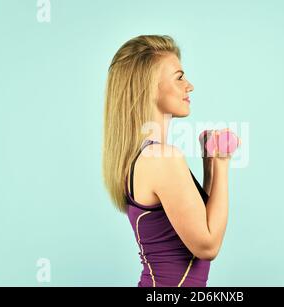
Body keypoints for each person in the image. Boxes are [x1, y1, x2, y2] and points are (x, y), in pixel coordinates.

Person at [102, 35, 239, 287]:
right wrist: (222, 163)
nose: (190, 86)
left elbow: (196, 225)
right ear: (147, 86)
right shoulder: (162, 158)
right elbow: (207, 246)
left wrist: (209, 164)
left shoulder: (142, 156)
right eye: (179, 77)